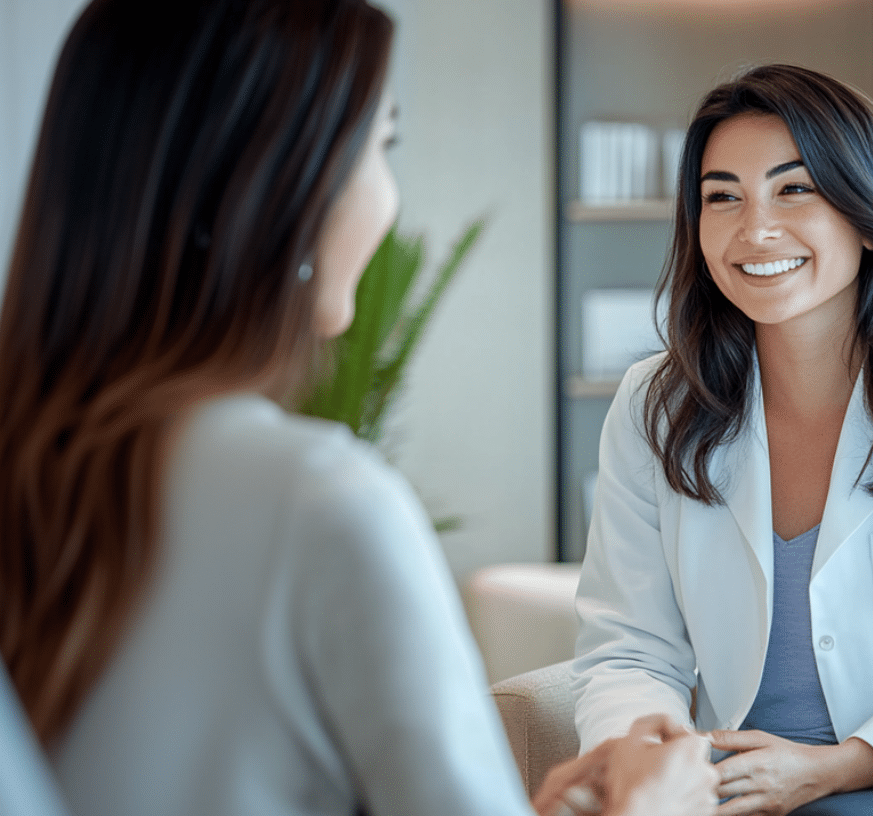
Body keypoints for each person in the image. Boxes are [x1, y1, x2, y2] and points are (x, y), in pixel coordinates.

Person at [0, 2, 717, 815]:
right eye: (382, 146)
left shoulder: (35, 466)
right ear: (280, 184)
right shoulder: (318, 501)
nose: (387, 195)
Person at [571, 65, 873, 816]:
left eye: (793, 188)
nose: (755, 228)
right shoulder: (655, 406)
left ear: (868, 212)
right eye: (722, 197)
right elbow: (630, 647)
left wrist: (837, 768)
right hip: (720, 788)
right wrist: (646, 769)